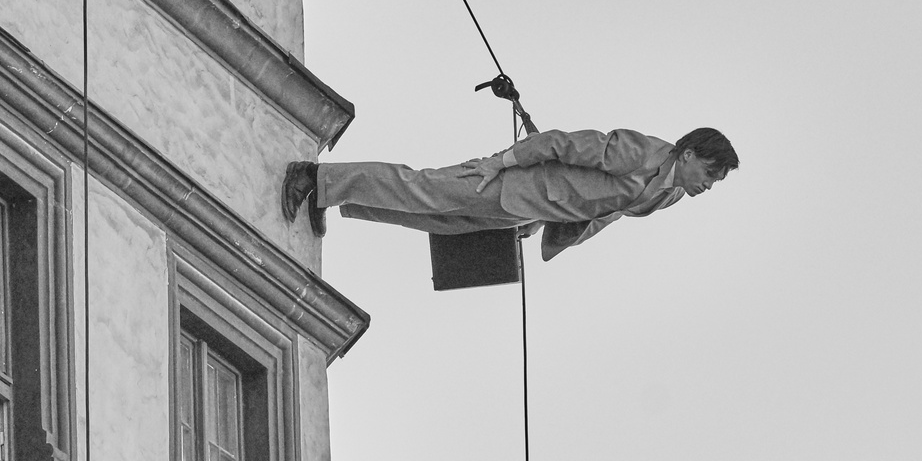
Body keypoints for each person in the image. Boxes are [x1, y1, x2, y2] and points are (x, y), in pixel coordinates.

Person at [281, 127, 738, 260]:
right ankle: (315, 176)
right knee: (421, 188)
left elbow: (602, 210)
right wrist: (502, 160)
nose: (709, 185)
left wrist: (547, 228)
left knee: (434, 220)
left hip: (522, 211)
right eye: (711, 173)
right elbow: (565, 145)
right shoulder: (643, 153)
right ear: (691, 152)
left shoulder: (668, 195)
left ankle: (333, 194)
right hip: (510, 180)